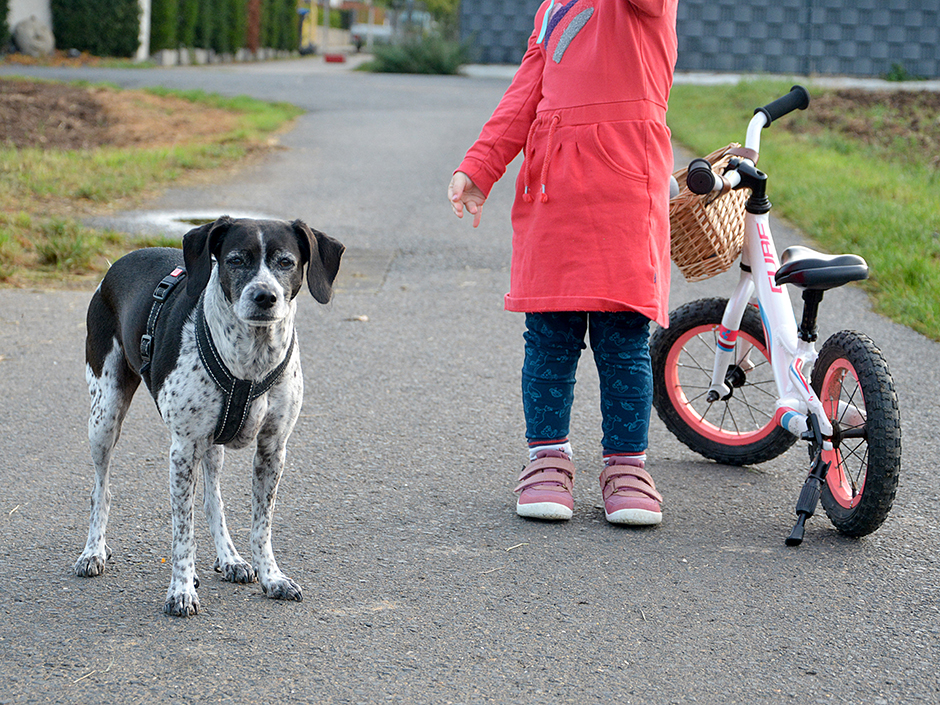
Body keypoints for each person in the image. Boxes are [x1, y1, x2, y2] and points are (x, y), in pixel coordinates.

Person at [448, 0, 678, 525]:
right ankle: (547, 458)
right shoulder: (552, 9)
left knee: (623, 340)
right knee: (549, 335)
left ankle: (627, 465)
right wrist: (481, 166)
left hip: (624, 189)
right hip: (552, 196)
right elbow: (525, 94)